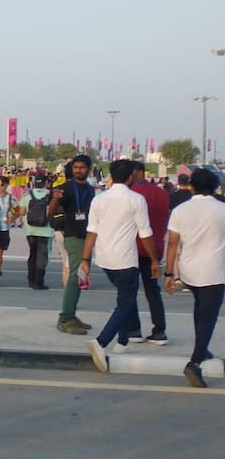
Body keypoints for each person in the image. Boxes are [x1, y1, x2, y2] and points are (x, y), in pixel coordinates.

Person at [83, 160, 162, 373]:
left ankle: (123, 340)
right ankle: (101, 342)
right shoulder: (136, 200)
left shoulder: (99, 199)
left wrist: (84, 259)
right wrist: (155, 260)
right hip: (126, 258)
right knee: (126, 302)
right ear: (131, 177)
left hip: (105, 258)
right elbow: (145, 234)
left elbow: (92, 231)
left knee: (124, 298)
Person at [164, 168, 225, 387]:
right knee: (208, 317)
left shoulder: (180, 210)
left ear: (191, 186)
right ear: (215, 187)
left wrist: (169, 273)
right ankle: (195, 362)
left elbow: (172, 243)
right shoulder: (222, 209)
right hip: (214, 271)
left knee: (200, 309)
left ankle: (202, 348)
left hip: (189, 270)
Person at [48, 156, 95, 334]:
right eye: (75, 167)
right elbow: (50, 213)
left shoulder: (90, 190)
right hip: (72, 235)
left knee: (81, 276)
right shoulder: (64, 189)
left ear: (88, 169)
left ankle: (71, 315)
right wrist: (54, 199)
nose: (78, 170)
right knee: (76, 275)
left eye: (82, 167)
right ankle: (65, 318)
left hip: (87, 235)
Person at [125, 161, 170, 345]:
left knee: (130, 290)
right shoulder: (162, 193)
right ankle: (159, 331)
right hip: (156, 246)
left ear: (136, 173)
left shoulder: (132, 195)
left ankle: (134, 330)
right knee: (153, 291)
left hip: (134, 246)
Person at [17, 175, 54, 290]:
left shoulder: (27, 195)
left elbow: (22, 212)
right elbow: (51, 212)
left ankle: (31, 280)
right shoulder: (50, 195)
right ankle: (39, 282)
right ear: (46, 182)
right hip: (45, 230)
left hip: (30, 230)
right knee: (42, 257)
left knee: (32, 255)